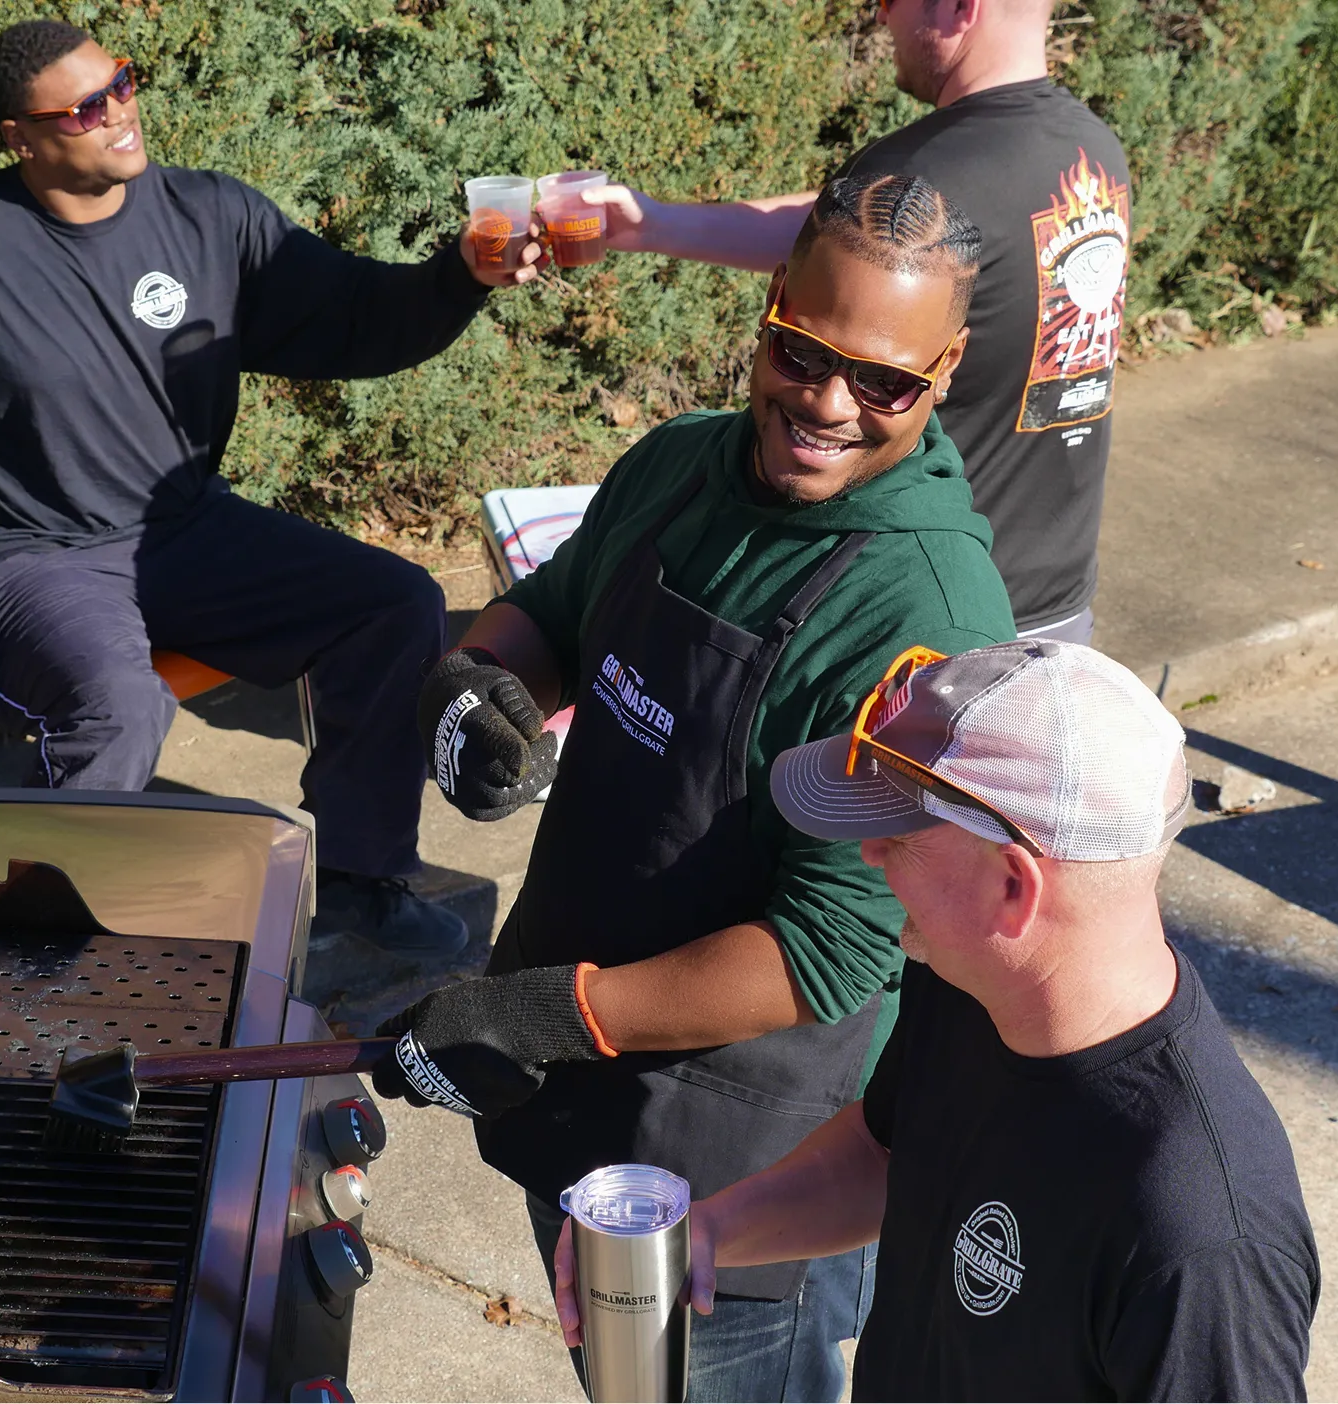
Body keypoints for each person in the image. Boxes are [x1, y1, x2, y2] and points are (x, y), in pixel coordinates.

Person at [375, 171, 1016, 1402]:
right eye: (800, 352)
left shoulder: (923, 613)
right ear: (767, 312)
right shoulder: (678, 463)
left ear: (943, 372)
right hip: (571, 1070)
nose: (824, 403)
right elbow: (554, 612)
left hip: (739, 1159)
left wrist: (543, 1017)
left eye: (881, 382)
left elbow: (829, 948)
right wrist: (471, 684)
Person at [0, 20, 540, 955]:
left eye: (122, 83)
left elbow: (357, 317)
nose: (118, 113)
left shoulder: (209, 217)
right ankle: (43, 951)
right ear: (21, 137)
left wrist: (461, 275)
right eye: (84, 108)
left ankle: (356, 889)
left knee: (396, 605)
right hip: (28, 558)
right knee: (122, 706)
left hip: (180, 532)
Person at [553, 639, 1322, 1401]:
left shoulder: (1202, 1239)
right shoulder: (969, 977)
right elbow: (884, 1151)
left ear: (1014, 888)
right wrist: (706, 1231)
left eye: (901, 836)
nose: (869, 855)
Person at [584, 0, 1130, 644]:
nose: (880, 17)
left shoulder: (930, 171)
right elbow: (844, 235)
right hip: (1057, 593)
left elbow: (850, 242)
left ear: (961, 6)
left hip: (916, 610)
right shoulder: (1092, 150)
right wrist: (652, 224)